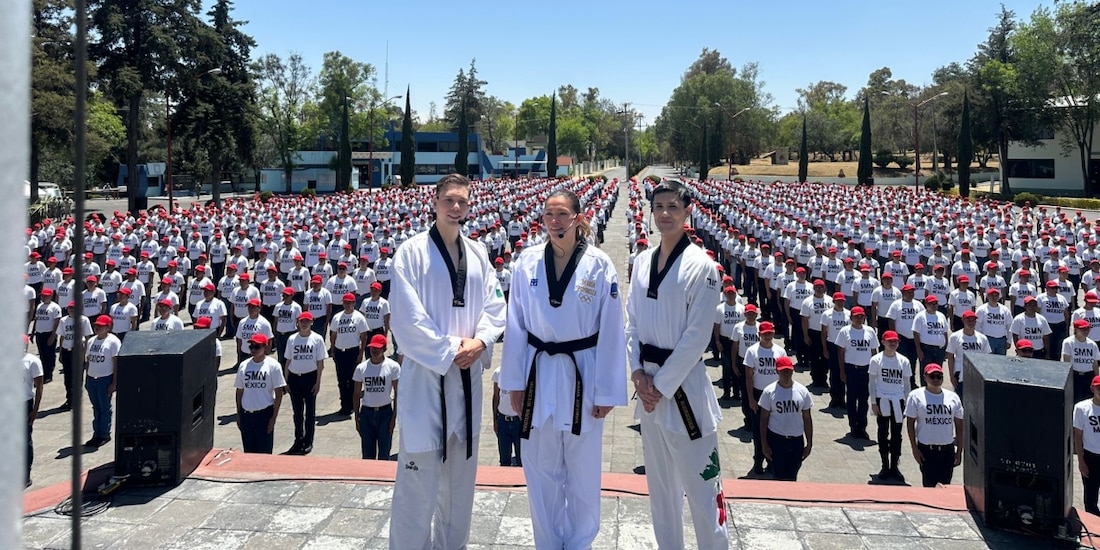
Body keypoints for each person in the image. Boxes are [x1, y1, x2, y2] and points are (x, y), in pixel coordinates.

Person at [499, 188, 626, 550]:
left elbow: (612, 329)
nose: (554, 222)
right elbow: (516, 324)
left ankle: (580, 543)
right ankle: (548, 543)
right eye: (548, 215)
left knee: (583, 471)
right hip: (538, 372)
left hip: (582, 373)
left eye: (562, 215)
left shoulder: (599, 264)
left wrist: (607, 390)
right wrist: (513, 382)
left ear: (578, 218)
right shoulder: (526, 261)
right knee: (540, 470)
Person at [388, 174, 507, 550]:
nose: (456, 208)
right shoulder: (411, 252)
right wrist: (452, 349)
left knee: (459, 486)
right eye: (449, 201)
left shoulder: (478, 253)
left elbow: (495, 304)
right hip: (427, 379)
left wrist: (483, 340)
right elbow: (407, 319)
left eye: (463, 203)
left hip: (467, 380)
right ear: (435, 201)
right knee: (417, 485)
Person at [625, 180, 727, 549]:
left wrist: (660, 387)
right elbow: (632, 322)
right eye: (659, 207)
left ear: (688, 212)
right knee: (661, 491)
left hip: (684, 391)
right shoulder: (642, 262)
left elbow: (697, 338)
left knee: (703, 489)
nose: (665, 213)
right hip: (647, 387)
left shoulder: (703, 267)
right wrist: (638, 373)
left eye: (672, 207)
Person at [905, 363, 964, 487]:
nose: (936, 379)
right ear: (925, 377)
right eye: (932, 376)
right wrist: (914, 449)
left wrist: (959, 451)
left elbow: (959, 425)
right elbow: (910, 423)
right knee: (929, 486)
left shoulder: (953, 397)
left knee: (945, 486)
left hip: (947, 450)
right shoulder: (916, 396)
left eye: (939, 376)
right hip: (927, 450)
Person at [758, 356, 813, 481]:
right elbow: (763, 420)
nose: (786, 374)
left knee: (792, 475)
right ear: (777, 371)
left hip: (796, 440)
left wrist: (809, 443)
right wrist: (764, 444)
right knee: (778, 475)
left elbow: (807, 418)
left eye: (788, 370)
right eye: (783, 371)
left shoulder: (802, 392)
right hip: (777, 440)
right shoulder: (769, 392)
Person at [868, 331, 912, 481]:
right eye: (890, 341)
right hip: (882, 399)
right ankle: (884, 465)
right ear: (883, 342)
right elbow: (872, 383)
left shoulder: (904, 361)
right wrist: (873, 402)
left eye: (895, 341)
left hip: (898, 400)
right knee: (882, 432)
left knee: (897, 434)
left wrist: (907, 404)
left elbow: (906, 384)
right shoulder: (876, 360)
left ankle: (894, 465)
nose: (893, 344)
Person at [282, 311, 326, 455]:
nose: (304, 323)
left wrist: (318, 382)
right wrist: (285, 380)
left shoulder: (317, 339)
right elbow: (288, 360)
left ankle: (308, 441)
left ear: (312, 322)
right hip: (295, 378)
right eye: (302, 321)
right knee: (297, 412)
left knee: (310, 412)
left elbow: (320, 363)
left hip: (310, 377)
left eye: (307, 321)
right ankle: (298, 440)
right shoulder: (292, 339)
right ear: (298, 322)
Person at [234, 333, 285, 454]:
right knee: (249, 452)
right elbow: (239, 391)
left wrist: (273, 418)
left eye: (257, 347)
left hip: (264, 415)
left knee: (264, 453)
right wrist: (239, 413)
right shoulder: (244, 365)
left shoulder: (273, 366)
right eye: (251, 346)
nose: (253, 350)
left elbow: (279, 393)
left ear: (265, 347)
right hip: (247, 415)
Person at [352, 334, 400, 460]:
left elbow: (398, 392)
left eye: (378, 348)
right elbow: (356, 394)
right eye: (372, 348)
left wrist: (394, 417)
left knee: (384, 454)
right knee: (367, 454)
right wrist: (357, 417)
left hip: (385, 413)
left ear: (384, 349)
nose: (374, 351)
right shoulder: (361, 368)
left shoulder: (393, 367)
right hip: (367, 412)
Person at [835, 306, 879, 440]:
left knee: (864, 399)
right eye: (856, 317)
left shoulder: (870, 331)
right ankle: (853, 425)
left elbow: (874, 352)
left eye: (861, 317)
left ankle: (862, 426)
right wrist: (842, 371)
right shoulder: (845, 331)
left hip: (866, 369)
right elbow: (840, 353)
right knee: (852, 398)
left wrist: (875, 371)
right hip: (851, 369)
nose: (859, 319)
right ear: (851, 318)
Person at [330, 292, 369, 416]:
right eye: (345, 302)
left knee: (352, 380)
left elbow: (364, 336)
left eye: (349, 303)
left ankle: (352, 405)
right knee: (341, 380)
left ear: (354, 303)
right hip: (340, 351)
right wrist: (332, 349)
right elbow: (333, 334)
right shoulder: (337, 317)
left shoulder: (359, 317)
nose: (347, 305)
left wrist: (361, 352)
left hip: (353, 351)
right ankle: (344, 405)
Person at [85, 315, 121, 448]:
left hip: (105, 378)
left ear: (108, 327)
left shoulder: (113, 342)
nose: (97, 328)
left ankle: (104, 434)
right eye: (96, 326)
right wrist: (87, 378)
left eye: (100, 326)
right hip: (92, 378)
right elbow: (88, 360)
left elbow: (116, 362)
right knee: (96, 407)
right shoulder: (91, 341)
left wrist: (114, 383)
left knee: (104, 407)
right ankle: (96, 433)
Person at [1073, 375, 1100, 515]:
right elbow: (1078, 436)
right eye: (1099, 388)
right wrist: (1081, 461)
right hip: (1091, 457)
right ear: (1092, 388)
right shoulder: (1081, 408)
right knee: (1090, 498)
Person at [23, 336, 44, 487]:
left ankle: (25, 475)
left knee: (24, 441)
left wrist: (35, 410)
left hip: (24, 404)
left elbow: (39, 387)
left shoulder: (32, 361)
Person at [1063, 319, 1100, 403]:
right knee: (1076, 400)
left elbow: (1095, 364)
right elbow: (1066, 362)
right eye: (1083, 329)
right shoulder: (1068, 342)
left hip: (1089, 375)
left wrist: (1097, 377)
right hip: (1075, 376)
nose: (1086, 331)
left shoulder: (1092, 344)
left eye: (1087, 329)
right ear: (1076, 329)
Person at [491, 366, 521, 466]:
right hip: (503, 420)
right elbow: (496, 396)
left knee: (521, 458)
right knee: (504, 459)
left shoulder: (521, 371)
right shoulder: (498, 372)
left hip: (518, 421)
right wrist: (495, 420)